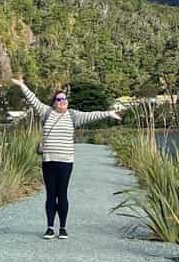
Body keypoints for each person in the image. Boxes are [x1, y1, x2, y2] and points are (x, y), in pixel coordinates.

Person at [10, 75, 121, 238]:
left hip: (65, 161)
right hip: (48, 160)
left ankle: (62, 228)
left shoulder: (73, 116)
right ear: (53, 102)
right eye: (59, 99)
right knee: (50, 195)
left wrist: (109, 113)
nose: (63, 101)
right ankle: (49, 228)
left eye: (65, 98)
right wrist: (22, 86)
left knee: (62, 194)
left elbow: (91, 115)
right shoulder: (46, 112)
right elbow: (33, 100)